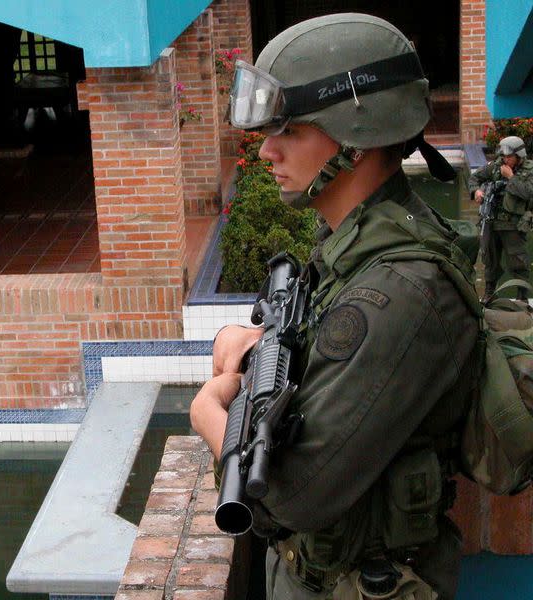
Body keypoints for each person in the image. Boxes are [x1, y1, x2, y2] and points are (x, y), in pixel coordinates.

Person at [190, 13, 481, 600]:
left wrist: (209, 409)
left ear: (356, 138)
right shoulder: (358, 242)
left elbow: (294, 495)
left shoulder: (401, 290)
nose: (266, 151)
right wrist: (253, 355)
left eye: (290, 131)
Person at [468, 135, 533, 301]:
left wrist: (511, 177)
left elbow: (527, 193)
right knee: (490, 259)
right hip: (491, 221)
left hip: (513, 224)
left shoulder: (529, 170)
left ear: (519, 156)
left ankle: (522, 296)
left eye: (509, 156)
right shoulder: (496, 166)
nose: (505, 159)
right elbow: (475, 177)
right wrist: (476, 191)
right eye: (503, 156)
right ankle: (489, 293)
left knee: (518, 261)